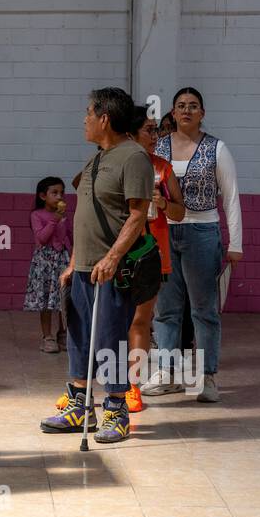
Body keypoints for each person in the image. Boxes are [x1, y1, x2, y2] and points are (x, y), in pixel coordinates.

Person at [40, 88, 153, 444]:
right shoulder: (97, 158)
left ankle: (116, 410)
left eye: (88, 113)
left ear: (104, 118)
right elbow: (86, 214)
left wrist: (112, 257)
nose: (84, 119)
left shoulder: (133, 157)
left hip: (112, 270)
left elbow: (137, 215)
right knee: (78, 337)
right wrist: (74, 261)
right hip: (84, 267)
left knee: (109, 339)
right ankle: (79, 406)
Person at [146, 86, 242, 404]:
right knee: (166, 309)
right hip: (164, 232)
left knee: (203, 310)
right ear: (172, 113)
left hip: (202, 232)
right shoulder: (158, 148)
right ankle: (168, 372)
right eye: (181, 105)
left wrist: (235, 243)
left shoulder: (217, 148)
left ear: (202, 113)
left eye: (193, 105)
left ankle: (208, 375)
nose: (187, 110)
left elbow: (230, 197)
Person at [126, 106, 184, 410]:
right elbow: (80, 185)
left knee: (140, 320)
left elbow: (180, 211)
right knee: (112, 320)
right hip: (117, 254)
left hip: (151, 254)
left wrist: (163, 204)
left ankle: (132, 387)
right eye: (149, 130)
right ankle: (96, 384)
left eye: (156, 129)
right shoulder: (115, 164)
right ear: (130, 135)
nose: (156, 135)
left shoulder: (162, 168)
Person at [23, 177, 72, 353]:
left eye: (62, 192)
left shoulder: (65, 215)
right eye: (55, 193)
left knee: (63, 299)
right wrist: (55, 220)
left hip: (62, 260)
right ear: (43, 196)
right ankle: (47, 336)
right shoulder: (36, 215)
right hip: (45, 261)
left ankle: (63, 333)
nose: (59, 196)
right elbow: (42, 238)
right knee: (46, 300)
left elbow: (67, 235)